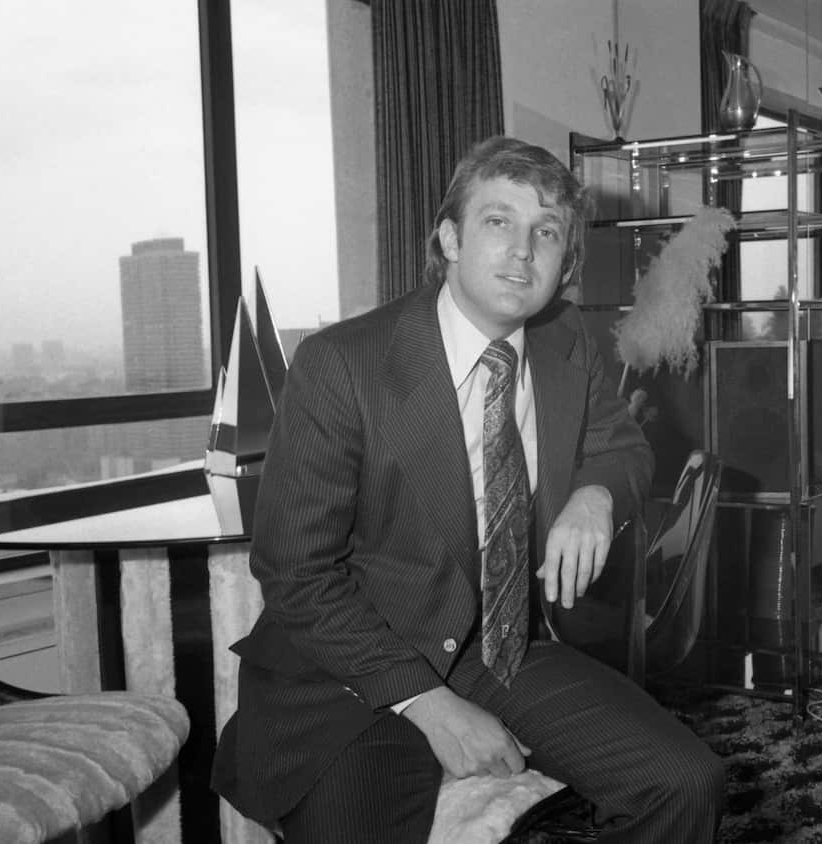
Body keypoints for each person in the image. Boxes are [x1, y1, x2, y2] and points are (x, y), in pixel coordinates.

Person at [211, 136, 725, 842]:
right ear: (449, 238)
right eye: (498, 222)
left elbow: (623, 446)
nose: (523, 250)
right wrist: (429, 703)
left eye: (546, 232)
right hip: (352, 670)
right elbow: (296, 574)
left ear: (565, 262)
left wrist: (596, 495)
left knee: (686, 784)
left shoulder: (565, 340)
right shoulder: (343, 364)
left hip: (505, 648)